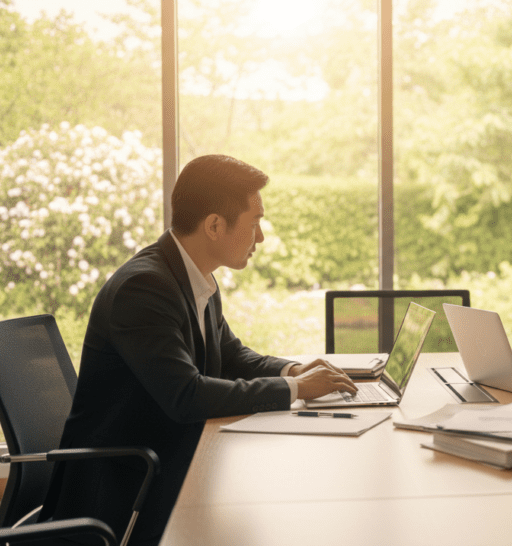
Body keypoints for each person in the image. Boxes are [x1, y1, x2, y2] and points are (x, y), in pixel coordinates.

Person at [42, 155, 359, 545]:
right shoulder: (144, 288)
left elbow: (228, 355)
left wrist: (292, 372)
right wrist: (296, 392)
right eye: (255, 222)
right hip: (126, 484)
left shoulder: (195, 276)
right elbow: (186, 395)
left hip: (167, 454)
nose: (260, 237)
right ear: (214, 225)